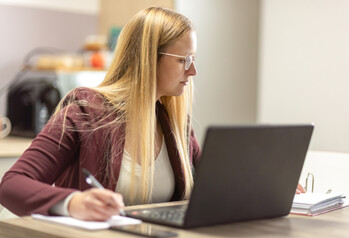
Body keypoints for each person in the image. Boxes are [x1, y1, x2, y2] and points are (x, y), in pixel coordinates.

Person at [0, 6, 200, 221]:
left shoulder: (177, 126)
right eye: (183, 60)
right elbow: (11, 185)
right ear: (148, 58)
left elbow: (214, 186)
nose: (192, 71)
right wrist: (72, 203)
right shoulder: (85, 113)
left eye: (193, 59)